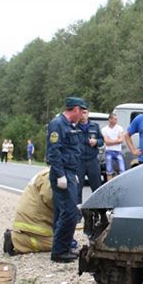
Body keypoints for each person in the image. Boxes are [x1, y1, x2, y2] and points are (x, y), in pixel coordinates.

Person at [46, 97, 86, 263]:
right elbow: (54, 152)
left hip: (69, 172)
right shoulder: (57, 124)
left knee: (63, 212)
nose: (82, 115)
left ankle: (63, 246)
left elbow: (70, 151)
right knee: (70, 212)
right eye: (81, 111)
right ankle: (59, 251)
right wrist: (61, 174)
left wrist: (72, 172)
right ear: (75, 109)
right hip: (62, 173)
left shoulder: (69, 126)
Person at [3, 168, 54, 255]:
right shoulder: (50, 176)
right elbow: (50, 199)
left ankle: (21, 237)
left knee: (63, 240)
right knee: (56, 244)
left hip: (31, 217)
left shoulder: (48, 173)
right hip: (34, 219)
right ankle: (15, 240)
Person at [76, 109, 104, 204]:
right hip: (79, 162)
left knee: (97, 188)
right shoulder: (74, 127)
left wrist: (96, 142)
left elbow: (101, 141)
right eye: (81, 113)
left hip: (92, 161)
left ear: (88, 113)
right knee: (77, 189)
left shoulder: (94, 126)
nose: (82, 115)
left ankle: (98, 212)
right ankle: (77, 214)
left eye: (84, 113)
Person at [101, 113, 126, 180]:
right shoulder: (104, 129)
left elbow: (121, 140)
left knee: (122, 169)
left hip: (118, 151)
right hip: (109, 151)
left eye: (116, 119)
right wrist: (116, 140)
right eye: (114, 119)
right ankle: (109, 184)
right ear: (110, 119)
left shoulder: (119, 128)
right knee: (109, 170)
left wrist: (110, 141)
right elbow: (106, 142)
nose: (116, 121)